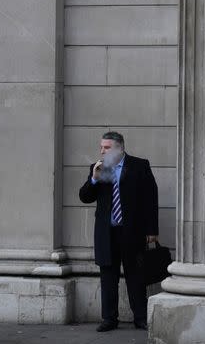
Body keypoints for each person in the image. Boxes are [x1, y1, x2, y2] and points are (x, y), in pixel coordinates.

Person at [79, 131, 159, 331]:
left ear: (119, 148)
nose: (102, 151)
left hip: (131, 232)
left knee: (136, 276)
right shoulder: (99, 168)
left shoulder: (139, 166)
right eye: (101, 147)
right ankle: (109, 319)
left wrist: (152, 230)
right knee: (108, 276)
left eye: (106, 147)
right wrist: (94, 179)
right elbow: (84, 197)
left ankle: (140, 317)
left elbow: (150, 199)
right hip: (107, 234)